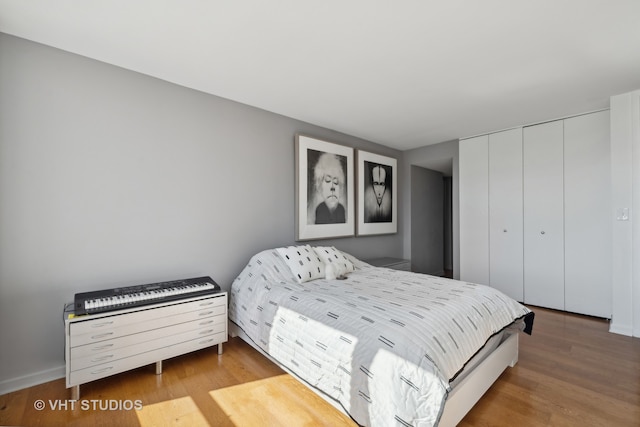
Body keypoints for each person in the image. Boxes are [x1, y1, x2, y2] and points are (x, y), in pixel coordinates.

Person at [309, 152, 346, 224]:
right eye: (328, 180)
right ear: (319, 187)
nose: (332, 187)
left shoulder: (341, 210)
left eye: (336, 182)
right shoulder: (320, 210)